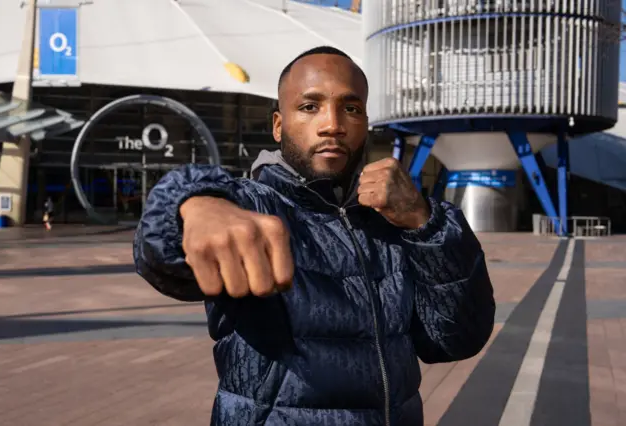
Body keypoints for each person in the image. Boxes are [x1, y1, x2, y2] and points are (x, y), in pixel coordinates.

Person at [134, 46, 495, 426]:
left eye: (351, 109)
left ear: (366, 122)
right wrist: (192, 204)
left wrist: (426, 222)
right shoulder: (250, 205)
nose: (332, 124)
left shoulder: (391, 220)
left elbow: (456, 338)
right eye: (310, 107)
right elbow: (159, 249)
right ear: (278, 125)